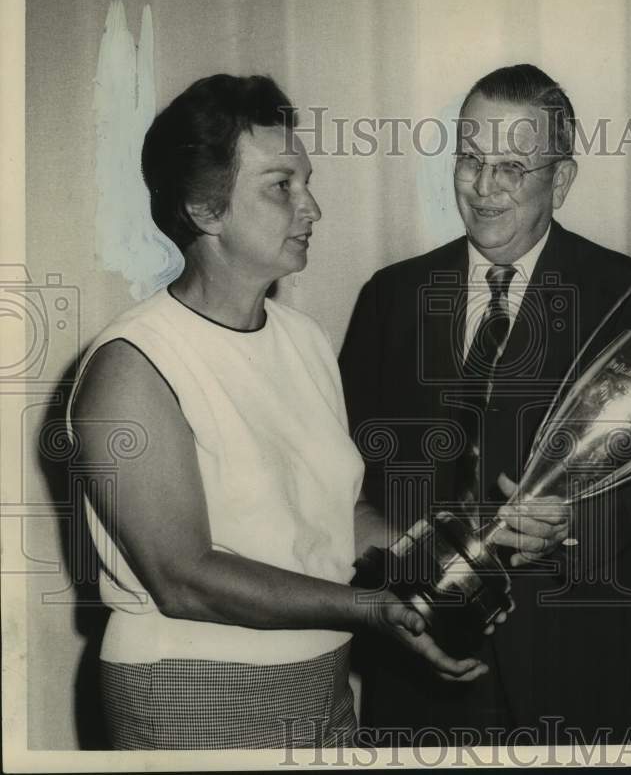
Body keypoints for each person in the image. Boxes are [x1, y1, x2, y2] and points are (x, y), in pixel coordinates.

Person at [68, 74, 488, 750]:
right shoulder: (133, 364)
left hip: (324, 681)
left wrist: (436, 577)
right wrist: (376, 609)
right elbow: (186, 579)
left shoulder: (304, 339)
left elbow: (338, 515)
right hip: (191, 691)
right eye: (281, 186)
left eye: (307, 182)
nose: (312, 207)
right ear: (205, 209)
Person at [340, 63, 631, 746]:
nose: (485, 188)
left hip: (575, 664)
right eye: (470, 159)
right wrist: (391, 588)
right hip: (417, 658)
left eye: (513, 168)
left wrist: (573, 525)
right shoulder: (390, 296)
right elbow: (342, 469)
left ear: (563, 180)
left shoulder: (625, 296)